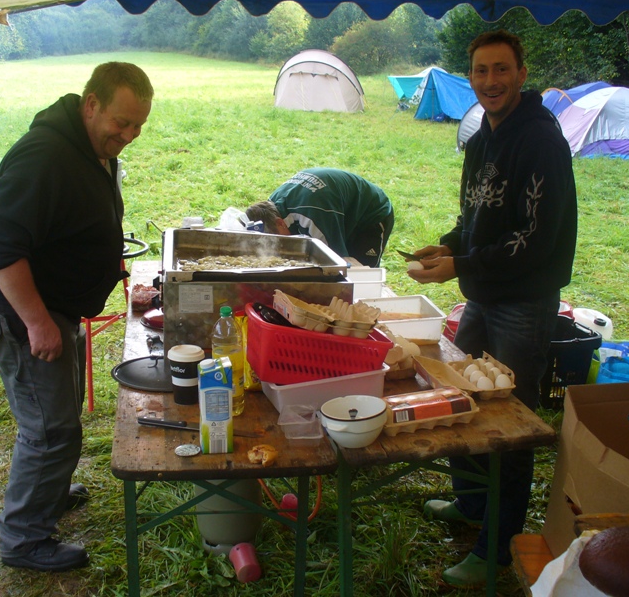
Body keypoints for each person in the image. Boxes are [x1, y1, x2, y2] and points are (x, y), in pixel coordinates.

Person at [0, 62, 154, 572]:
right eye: (121, 122)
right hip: (18, 306)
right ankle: (24, 539)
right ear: (91, 104)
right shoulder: (43, 156)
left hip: (54, 303)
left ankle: (47, 492)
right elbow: (0, 249)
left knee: (60, 412)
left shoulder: (91, 148)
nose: (129, 135)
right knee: (49, 429)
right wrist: (37, 322)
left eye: (138, 125)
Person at [407, 30, 577, 587]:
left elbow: (536, 240)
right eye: (481, 70)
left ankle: (497, 546)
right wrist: (447, 247)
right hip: (483, 293)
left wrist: (461, 263)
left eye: (501, 69)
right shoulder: (482, 135)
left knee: (510, 424)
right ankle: (472, 503)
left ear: (521, 74)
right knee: (459, 394)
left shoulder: (541, 141)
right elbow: (476, 219)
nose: (491, 81)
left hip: (523, 302)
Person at [246, 167, 394, 267]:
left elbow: (334, 262)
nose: (278, 248)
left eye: (277, 242)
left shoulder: (314, 217)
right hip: (337, 208)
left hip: (371, 214)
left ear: (280, 223)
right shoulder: (272, 204)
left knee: (361, 272)